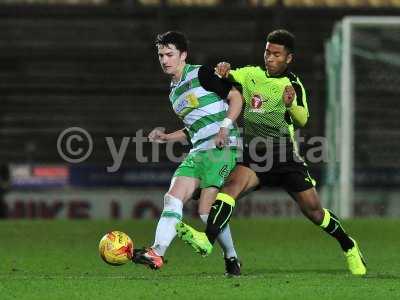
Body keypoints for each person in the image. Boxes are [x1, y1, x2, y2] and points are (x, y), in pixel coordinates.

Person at [175, 29, 367, 276]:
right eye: (267, 52)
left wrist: (290, 104)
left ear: (288, 59)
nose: (270, 57)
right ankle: (206, 241)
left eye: (276, 54)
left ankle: (349, 245)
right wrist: (221, 69)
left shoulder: (292, 84)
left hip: (284, 155)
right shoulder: (250, 75)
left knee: (315, 212)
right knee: (229, 190)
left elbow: (302, 119)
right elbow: (224, 75)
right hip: (255, 155)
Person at [132, 31, 243, 275]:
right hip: (198, 151)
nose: (164, 60)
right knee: (172, 198)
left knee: (205, 211)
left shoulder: (202, 73)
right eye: (161, 55)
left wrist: (224, 127)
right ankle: (157, 253)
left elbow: (236, 98)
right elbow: (193, 127)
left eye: (170, 54)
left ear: (183, 55)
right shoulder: (173, 93)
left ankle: (232, 258)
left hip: (221, 148)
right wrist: (167, 137)